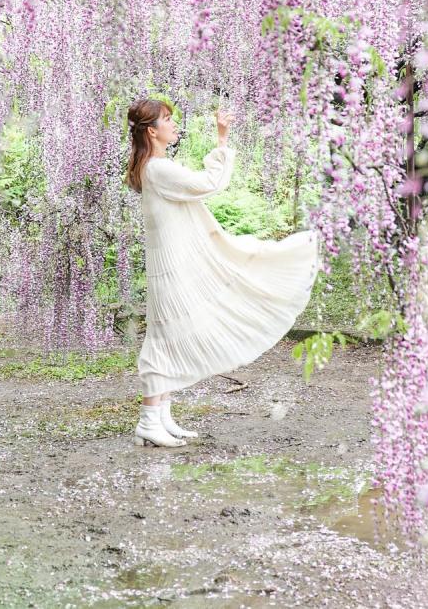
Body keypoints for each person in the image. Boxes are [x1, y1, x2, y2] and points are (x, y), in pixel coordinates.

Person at [125, 97, 321, 447]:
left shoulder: (153, 167)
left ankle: (161, 416)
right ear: (152, 131)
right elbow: (208, 183)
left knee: (168, 334)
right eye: (167, 120)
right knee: (165, 337)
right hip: (172, 267)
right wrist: (221, 139)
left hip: (173, 263)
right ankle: (148, 421)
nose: (173, 125)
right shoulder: (159, 169)